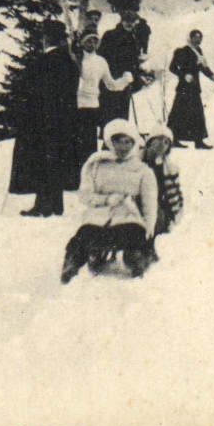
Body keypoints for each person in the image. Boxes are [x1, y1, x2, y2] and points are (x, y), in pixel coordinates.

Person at [61, 118, 158, 282]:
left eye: (128, 142)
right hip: (98, 216)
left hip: (128, 216)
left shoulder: (142, 170)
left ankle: (137, 265)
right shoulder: (96, 165)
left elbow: (150, 203)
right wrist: (106, 200)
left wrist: (149, 229)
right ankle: (71, 268)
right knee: (83, 237)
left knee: (135, 235)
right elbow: (85, 195)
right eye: (119, 142)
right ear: (110, 142)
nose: (124, 147)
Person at [8, 19, 80, 216]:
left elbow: (33, 92)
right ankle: (56, 205)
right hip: (63, 120)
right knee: (55, 161)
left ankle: (43, 205)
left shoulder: (44, 61)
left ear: (47, 38)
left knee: (42, 162)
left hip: (42, 120)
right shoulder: (69, 62)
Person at [75, 25, 132, 172]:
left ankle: (88, 174)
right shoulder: (76, 59)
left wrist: (125, 80)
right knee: (75, 142)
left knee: (90, 142)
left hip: (93, 106)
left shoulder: (101, 61)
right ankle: (73, 177)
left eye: (95, 41)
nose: (92, 44)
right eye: (88, 41)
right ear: (82, 42)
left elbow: (111, 85)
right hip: (76, 105)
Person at [95, 10, 148, 132]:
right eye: (126, 21)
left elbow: (133, 61)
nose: (129, 24)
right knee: (109, 108)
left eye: (132, 21)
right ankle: (107, 136)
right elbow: (103, 56)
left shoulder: (133, 38)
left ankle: (120, 135)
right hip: (110, 78)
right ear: (121, 21)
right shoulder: (110, 35)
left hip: (126, 79)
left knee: (122, 109)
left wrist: (134, 76)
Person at [166, 30, 214, 149]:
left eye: (200, 37)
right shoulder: (182, 51)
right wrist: (183, 76)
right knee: (178, 114)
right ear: (190, 38)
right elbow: (172, 67)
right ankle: (173, 139)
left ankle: (198, 141)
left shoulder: (199, 52)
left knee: (197, 114)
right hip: (184, 88)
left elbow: (202, 67)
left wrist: (211, 75)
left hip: (194, 88)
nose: (198, 40)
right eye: (196, 37)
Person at [140, 130, 184, 268]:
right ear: (149, 142)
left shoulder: (168, 169)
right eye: (158, 139)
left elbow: (173, 193)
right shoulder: (136, 163)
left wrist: (174, 213)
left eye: (166, 142)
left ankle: (148, 248)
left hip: (156, 206)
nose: (161, 145)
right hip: (134, 202)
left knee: (155, 215)